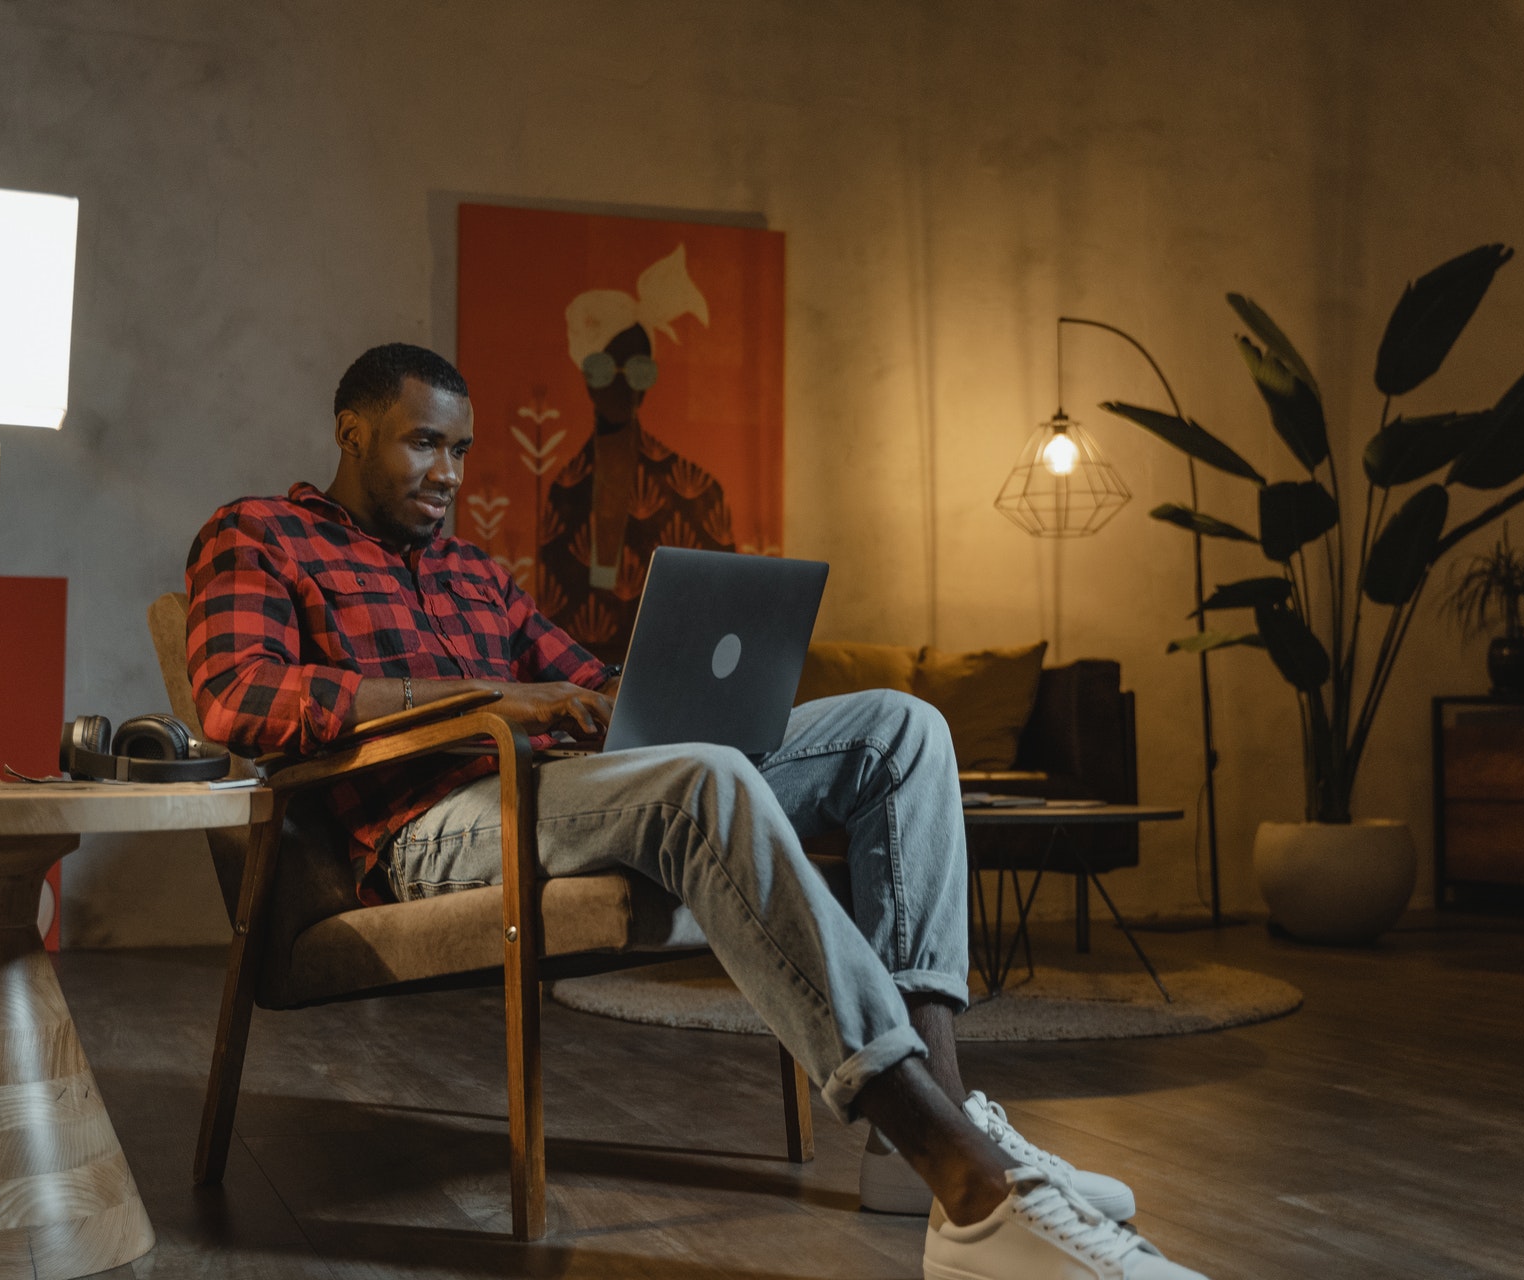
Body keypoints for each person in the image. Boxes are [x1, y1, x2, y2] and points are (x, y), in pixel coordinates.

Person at [185, 343, 1208, 1280]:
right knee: (705, 778)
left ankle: (930, 1133)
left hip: (550, 791)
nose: (448, 473)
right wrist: (492, 701)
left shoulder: (475, 575)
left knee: (900, 728)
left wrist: (667, 687)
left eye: (459, 449)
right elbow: (238, 695)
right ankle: (975, 1187)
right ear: (351, 432)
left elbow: (585, 684)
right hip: (429, 824)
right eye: (422, 444)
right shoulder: (258, 532)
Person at [539, 244, 737, 661]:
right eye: (605, 368)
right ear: (587, 375)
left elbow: (724, 618)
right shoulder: (564, 491)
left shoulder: (698, 492)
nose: (622, 385)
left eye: (639, 369)